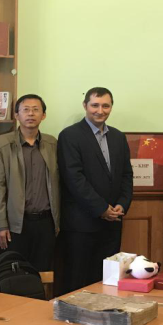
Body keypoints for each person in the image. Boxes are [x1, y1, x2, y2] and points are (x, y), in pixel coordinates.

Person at [57, 87, 133, 292]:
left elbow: (126, 175)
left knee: (107, 281)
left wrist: (122, 204)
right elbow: (74, 178)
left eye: (105, 106)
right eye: (95, 105)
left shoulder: (118, 136)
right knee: (78, 280)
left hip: (113, 222)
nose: (100, 110)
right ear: (85, 106)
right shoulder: (70, 135)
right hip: (81, 223)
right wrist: (101, 209)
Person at [0, 94, 60, 271]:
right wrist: (0, 225)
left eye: (36, 110)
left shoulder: (52, 143)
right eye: (25, 110)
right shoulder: (1, 144)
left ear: (43, 115)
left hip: (46, 222)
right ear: (16, 115)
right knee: (15, 273)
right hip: (15, 223)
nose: (31, 114)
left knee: (42, 272)